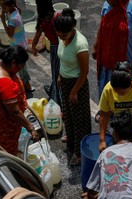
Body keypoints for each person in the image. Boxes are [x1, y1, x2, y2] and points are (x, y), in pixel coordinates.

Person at [0, 46, 40, 154]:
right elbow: (15, 112)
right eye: (22, 65)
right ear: (13, 62)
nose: (22, 68)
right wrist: (30, 127)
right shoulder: (6, 84)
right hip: (3, 129)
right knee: (5, 152)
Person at [54, 9, 91, 166]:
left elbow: (84, 71)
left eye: (64, 35)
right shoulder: (63, 38)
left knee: (79, 119)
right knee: (67, 113)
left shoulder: (80, 44)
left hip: (78, 84)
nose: (61, 38)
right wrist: (60, 75)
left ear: (73, 28)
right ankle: (70, 137)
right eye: (59, 35)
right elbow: (63, 59)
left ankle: (79, 152)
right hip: (66, 81)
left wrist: (75, 90)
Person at [93, 0, 132, 99]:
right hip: (106, 59)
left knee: (123, 94)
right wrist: (96, 46)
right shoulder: (106, 6)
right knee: (107, 95)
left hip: (125, 61)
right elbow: (101, 27)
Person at [31, 0, 61, 102]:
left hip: (53, 48)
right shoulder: (55, 17)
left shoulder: (42, 21)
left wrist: (34, 48)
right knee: (60, 73)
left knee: (55, 72)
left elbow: (36, 38)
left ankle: (55, 93)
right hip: (61, 46)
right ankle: (58, 96)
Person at [1, 0, 32, 92]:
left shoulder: (14, 19)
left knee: (21, 68)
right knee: (21, 67)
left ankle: (26, 86)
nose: (3, 10)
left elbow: (10, 34)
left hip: (18, 47)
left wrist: (3, 20)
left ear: (11, 6)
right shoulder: (16, 10)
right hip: (21, 43)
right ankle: (25, 84)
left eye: (4, 8)